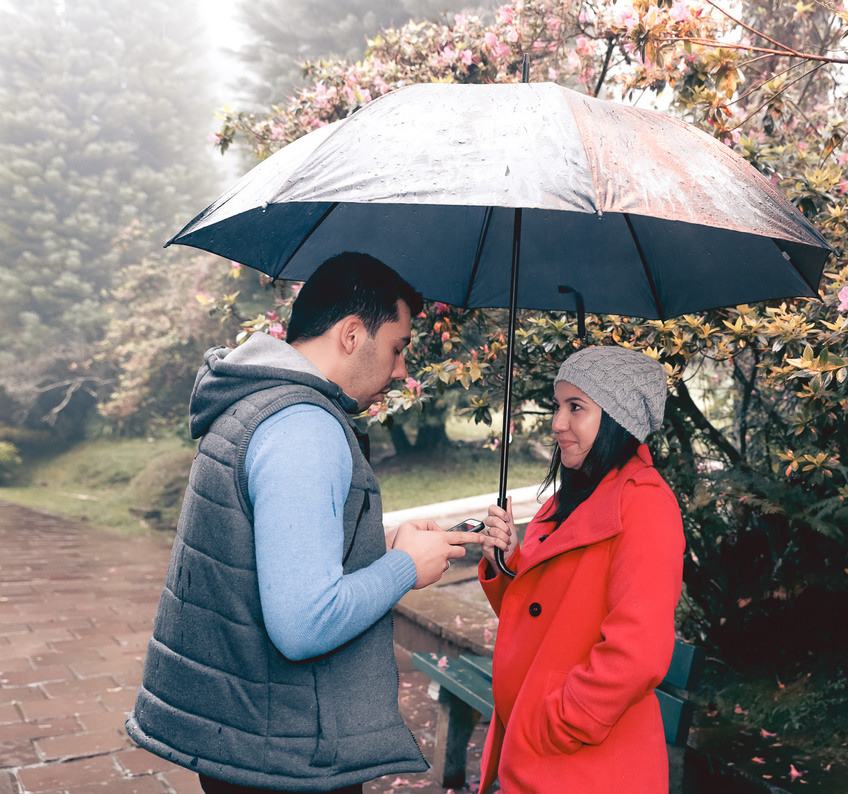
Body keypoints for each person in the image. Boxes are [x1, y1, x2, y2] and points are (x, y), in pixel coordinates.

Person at [126, 253, 500, 794]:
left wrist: (381, 545)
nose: (401, 372)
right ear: (352, 333)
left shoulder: (255, 401)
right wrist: (402, 568)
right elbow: (303, 626)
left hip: (245, 734)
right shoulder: (304, 427)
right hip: (284, 754)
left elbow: (265, 558)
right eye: (397, 348)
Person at [475, 346, 685, 793]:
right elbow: (541, 614)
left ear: (617, 418)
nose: (557, 423)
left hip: (588, 764)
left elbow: (638, 652)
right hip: (538, 754)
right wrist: (507, 559)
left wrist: (557, 722)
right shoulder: (568, 500)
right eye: (557, 405)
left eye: (576, 407)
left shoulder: (645, 504)